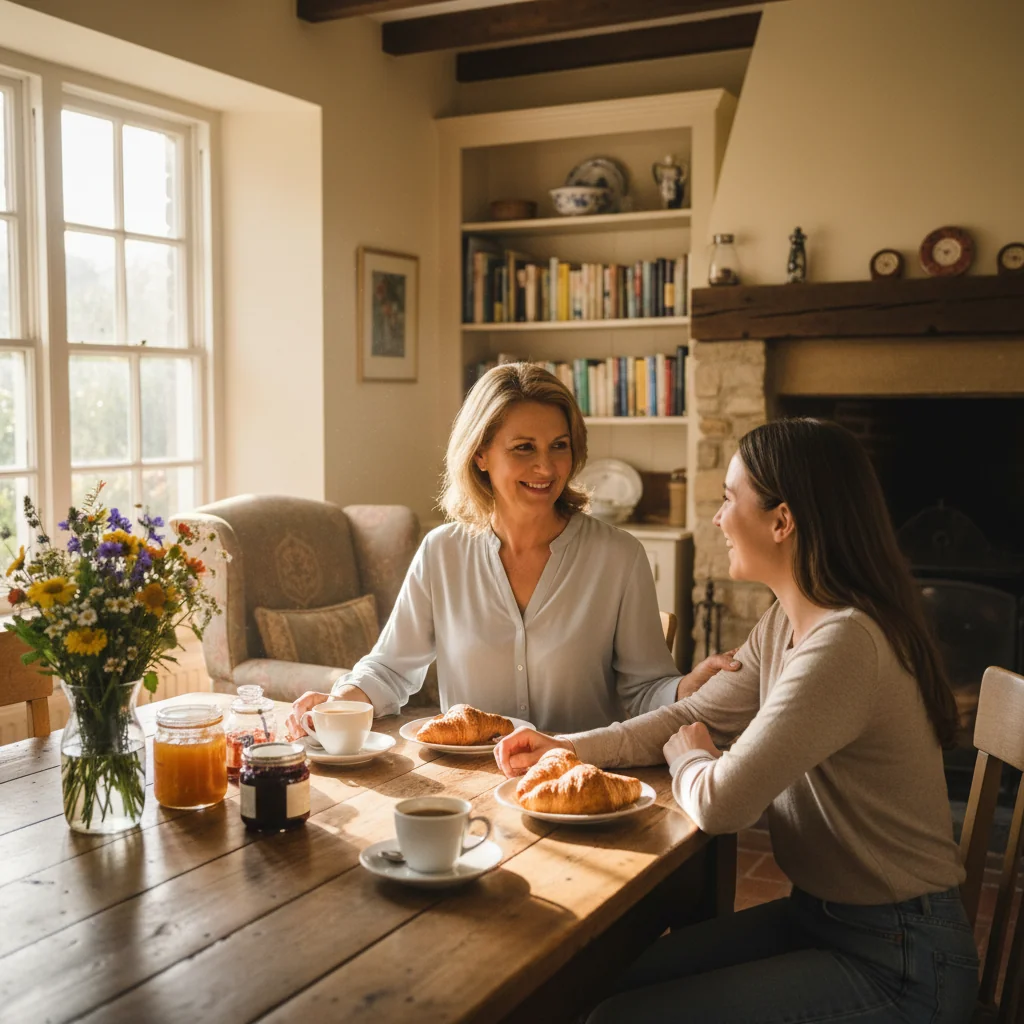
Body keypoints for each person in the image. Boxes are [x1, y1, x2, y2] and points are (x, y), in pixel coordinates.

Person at [494, 417, 979, 1024]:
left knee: (621, 1017)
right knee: (598, 979)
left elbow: (721, 803)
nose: (719, 519)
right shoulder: (786, 622)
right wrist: (565, 748)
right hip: (821, 919)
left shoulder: (844, 644)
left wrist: (690, 758)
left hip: (903, 960)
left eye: (729, 499)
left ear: (782, 521)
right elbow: (693, 713)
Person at [286, 363, 738, 739]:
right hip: (470, 785)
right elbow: (390, 669)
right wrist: (339, 702)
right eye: (524, 448)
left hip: (575, 783)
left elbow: (646, 691)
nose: (546, 466)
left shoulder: (619, 558)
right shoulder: (441, 553)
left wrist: (686, 689)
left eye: (559, 446)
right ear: (480, 454)